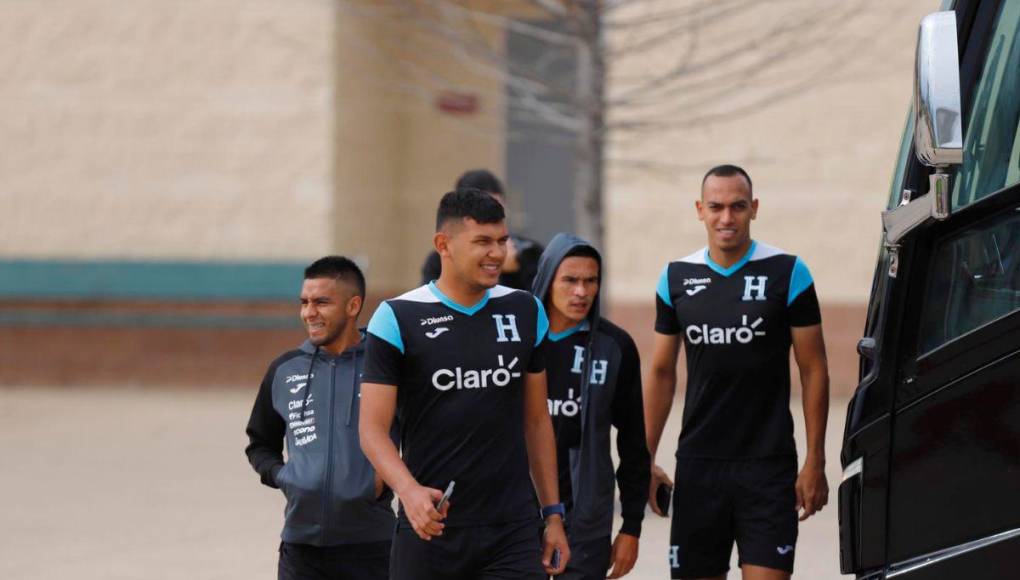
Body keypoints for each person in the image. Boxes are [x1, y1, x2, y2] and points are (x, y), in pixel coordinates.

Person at [359, 188, 570, 580]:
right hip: (431, 528)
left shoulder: (526, 310)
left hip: (512, 529)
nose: (498, 254)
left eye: (502, 241)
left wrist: (553, 515)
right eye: (483, 242)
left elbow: (537, 421)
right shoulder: (396, 317)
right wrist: (408, 491)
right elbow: (371, 430)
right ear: (444, 244)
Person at [644, 165, 830, 580]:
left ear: (754, 209)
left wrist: (815, 458)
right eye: (716, 207)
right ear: (700, 210)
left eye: (737, 207)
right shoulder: (675, 277)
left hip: (767, 466)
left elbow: (814, 368)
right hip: (699, 465)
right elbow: (660, 374)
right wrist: (645, 457)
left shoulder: (788, 272)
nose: (726, 218)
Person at [245, 256, 396, 580]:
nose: (308, 313)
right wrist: (285, 476)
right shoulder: (284, 370)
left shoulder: (384, 367)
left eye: (321, 302)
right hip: (301, 548)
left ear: (353, 305)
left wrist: (385, 479)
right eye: (304, 302)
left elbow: (423, 431)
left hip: (372, 546)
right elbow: (259, 443)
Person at [531, 234, 650, 580]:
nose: (581, 291)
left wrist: (631, 527)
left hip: (586, 520)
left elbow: (633, 444)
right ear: (548, 278)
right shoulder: (518, 341)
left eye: (591, 280)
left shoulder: (615, 348)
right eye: (570, 280)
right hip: (518, 515)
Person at [420, 169, 544, 290]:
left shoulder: (529, 252)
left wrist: (512, 272)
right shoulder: (438, 260)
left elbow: (535, 302)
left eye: (497, 207)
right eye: (482, 241)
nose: (497, 253)